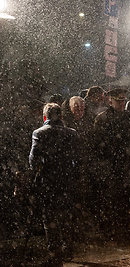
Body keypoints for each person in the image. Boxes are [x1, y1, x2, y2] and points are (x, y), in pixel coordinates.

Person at [94, 88, 130, 240]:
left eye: (123, 101)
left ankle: (126, 228)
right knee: (111, 199)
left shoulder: (128, 117)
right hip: (111, 165)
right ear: (111, 101)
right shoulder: (103, 118)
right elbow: (99, 145)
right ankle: (111, 230)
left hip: (128, 165)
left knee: (127, 198)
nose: (121, 103)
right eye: (118, 101)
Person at [29, 103, 80, 265]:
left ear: (45, 117)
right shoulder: (72, 133)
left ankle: (55, 254)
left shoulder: (39, 133)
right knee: (65, 216)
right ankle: (68, 249)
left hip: (48, 182)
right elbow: (78, 158)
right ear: (61, 116)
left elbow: (34, 160)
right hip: (67, 180)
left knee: (49, 219)